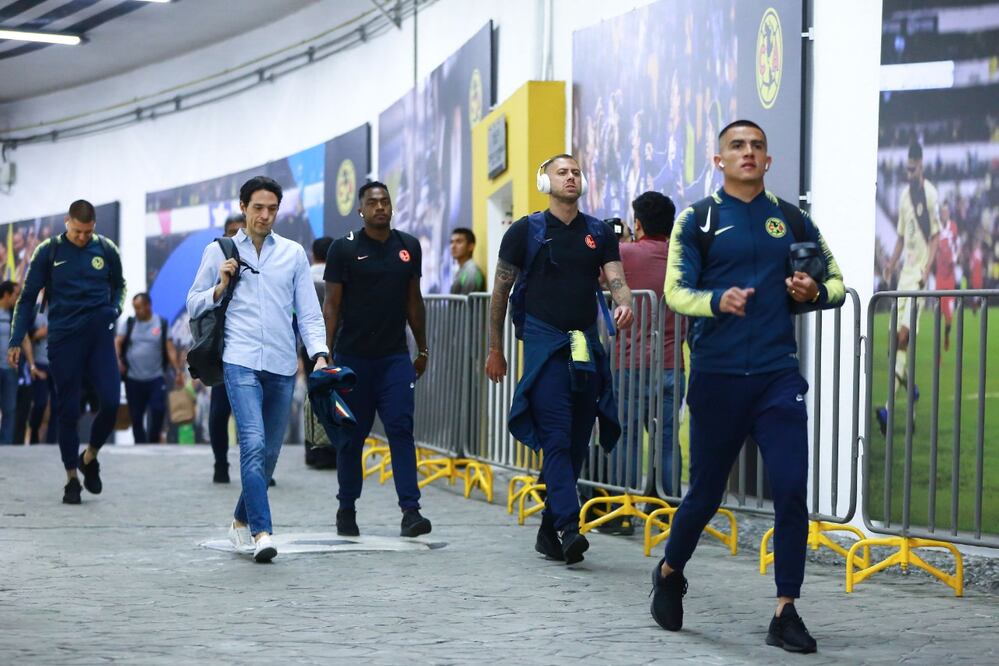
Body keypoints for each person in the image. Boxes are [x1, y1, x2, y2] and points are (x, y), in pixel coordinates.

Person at [650, 120, 844, 653]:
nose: (749, 152)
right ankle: (669, 571)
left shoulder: (792, 217)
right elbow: (675, 292)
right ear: (719, 160)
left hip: (778, 377)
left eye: (758, 145)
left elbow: (837, 284)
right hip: (716, 377)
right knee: (706, 493)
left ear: (768, 159)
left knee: (789, 490)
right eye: (737, 146)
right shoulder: (698, 219)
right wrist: (717, 301)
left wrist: (812, 292)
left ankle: (786, 610)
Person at [486, 154, 634, 564]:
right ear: (544, 181)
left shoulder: (598, 231)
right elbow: (500, 294)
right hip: (543, 341)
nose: (570, 177)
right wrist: (495, 348)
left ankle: (547, 532)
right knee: (555, 434)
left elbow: (616, 278)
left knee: (576, 437)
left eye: (576, 172)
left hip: (585, 342)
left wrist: (624, 305)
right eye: (561, 172)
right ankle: (570, 527)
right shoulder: (525, 230)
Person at [188, 176, 328, 563]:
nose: (265, 216)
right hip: (240, 360)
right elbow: (193, 302)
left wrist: (320, 354)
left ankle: (237, 519)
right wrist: (220, 286)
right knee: (251, 443)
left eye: (272, 209)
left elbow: (310, 314)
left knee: (268, 453)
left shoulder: (293, 254)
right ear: (243, 207)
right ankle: (262, 532)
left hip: (283, 364)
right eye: (258, 208)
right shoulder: (220, 250)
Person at [323, 180, 432, 538]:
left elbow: (413, 300)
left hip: (394, 359)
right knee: (351, 439)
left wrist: (423, 346)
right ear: (361, 210)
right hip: (353, 360)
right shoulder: (343, 249)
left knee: (401, 430)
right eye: (373, 202)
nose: (380, 207)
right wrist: (325, 356)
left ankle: (410, 511)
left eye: (385, 201)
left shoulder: (408, 247)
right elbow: (332, 306)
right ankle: (346, 507)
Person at [8, 199, 126, 504]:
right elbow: (27, 298)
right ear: (67, 223)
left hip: (99, 337)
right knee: (67, 410)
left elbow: (120, 286)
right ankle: (72, 477)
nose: (83, 237)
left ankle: (89, 456)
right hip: (64, 339)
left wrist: (113, 310)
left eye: (88, 232)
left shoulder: (106, 249)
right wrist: (15, 339)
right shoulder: (48, 251)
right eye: (77, 231)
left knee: (111, 403)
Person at [617, 191, 685, 498]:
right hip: (672, 362)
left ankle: (624, 504)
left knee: (626, 436)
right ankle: (669, 506)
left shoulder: (624, 254)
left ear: (638, 223)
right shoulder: (682, 256)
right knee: (667, 438)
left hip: (628, 363)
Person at [879, 141, 939, 434]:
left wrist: (927, 270)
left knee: (903, 337)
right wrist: (891, 263)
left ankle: (888, 410)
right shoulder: (904, 197)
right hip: (904, 277)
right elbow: (901, 238)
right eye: (907, 168)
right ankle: (911, 391)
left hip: (918, 279)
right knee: (895, 347)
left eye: (913, 169)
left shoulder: (930, 194)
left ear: (921, 166)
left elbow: (936, 236)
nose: (909, 173)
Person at [115, 293, 182, 443]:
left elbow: (170, 349)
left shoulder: (161, 324)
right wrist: (118, 360)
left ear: (148, 306)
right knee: (136, 417)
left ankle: (153, 440)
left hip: (156, 378)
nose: (137, 311)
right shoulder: (129, 323)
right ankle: (140, 446)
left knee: (158, 410)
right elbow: (118, 342)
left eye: (139, 308)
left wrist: (177, 370)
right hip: (133, 379)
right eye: (134, 308)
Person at [208, 213, 245, 483]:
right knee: (219, 411)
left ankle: (257, 467)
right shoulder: (213, 258)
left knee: (253, 413)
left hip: (254, 349)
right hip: (222, 349)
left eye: (240, 231)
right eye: (231, 231)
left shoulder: (261, 260)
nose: (236, 236)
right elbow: (199, 301)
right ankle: (220, 462)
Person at [305, 235, 337, 469]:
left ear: (313, 254)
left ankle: (313, 450)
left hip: (308, 347)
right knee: (336, 395)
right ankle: (334, 449)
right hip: (335, 344)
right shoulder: (338, 276)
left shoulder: (304, 276)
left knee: (312, 396)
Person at [0, 281, 20, 444]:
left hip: (10, 369)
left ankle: (5, 447)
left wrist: (31, 364)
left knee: (10, 409)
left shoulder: (15, 314)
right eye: (15, 295)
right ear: (6, 294)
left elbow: (25, 339)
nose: (17, 298)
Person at [449, 227, 486, 294]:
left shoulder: (472, 272)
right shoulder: (461, 270)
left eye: (459, 242)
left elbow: (467, 303)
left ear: (470, 247)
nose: (453, 246)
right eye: (451, 242)